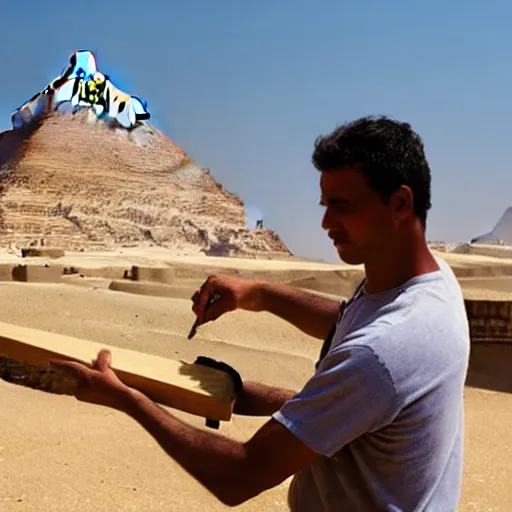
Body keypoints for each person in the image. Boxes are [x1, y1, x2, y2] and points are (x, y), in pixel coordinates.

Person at [53, 116, 470, 511]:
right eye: (324, 204)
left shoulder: (384, 352)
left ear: (400, 203)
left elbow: (239, 474)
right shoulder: (428, 286)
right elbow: (352, 329)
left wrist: (127, 400)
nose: (326, 222)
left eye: (342, 206)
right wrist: (257, 301)